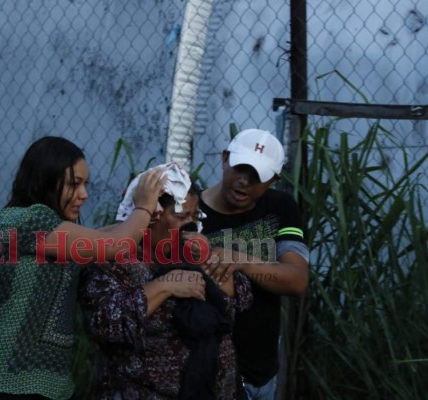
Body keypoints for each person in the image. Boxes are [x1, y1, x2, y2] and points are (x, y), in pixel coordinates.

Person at [0, 136, 165, 400]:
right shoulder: (26, 218)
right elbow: (116, 244)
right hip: (3, 381)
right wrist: (143, 206)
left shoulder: (50, 230)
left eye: (85, 184)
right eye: (74, 184)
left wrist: (140, 218)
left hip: (42, 384)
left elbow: (100, 238)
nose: (84, 194)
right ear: (46, 180)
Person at [79, 164, 253, 399]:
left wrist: (205, 266)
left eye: (194, 216)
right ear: (150, 216)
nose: (190, 226)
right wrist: (166, 284)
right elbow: (107, 324)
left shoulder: (194, 252)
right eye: (181, 217)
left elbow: (242, 295)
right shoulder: (111, 262)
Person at [198, 129, 309, 400]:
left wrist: (239, 260)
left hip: (261, 374)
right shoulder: (190, 214)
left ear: (273, 179)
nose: (244, 181)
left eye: (257, 175)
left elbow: (296, 280)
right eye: (240, 168)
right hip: (205, 375)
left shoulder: (281, 208)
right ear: (225, 159)